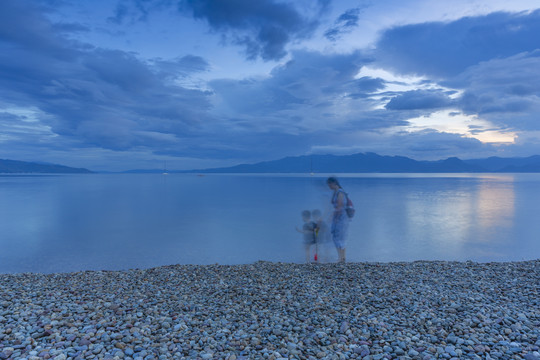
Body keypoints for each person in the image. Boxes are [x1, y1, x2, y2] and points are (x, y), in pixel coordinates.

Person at [327, 177, 350, 263]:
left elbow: (339, 207)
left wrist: (332, 217)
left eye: (329, 184)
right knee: (338, 237)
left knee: (339, 237)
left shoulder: (340, 192)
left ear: (333, 183)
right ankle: (341, 257)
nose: (329, 186)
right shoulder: (337, 192)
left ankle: (342, 257)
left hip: (341, 218)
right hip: (340, 218)